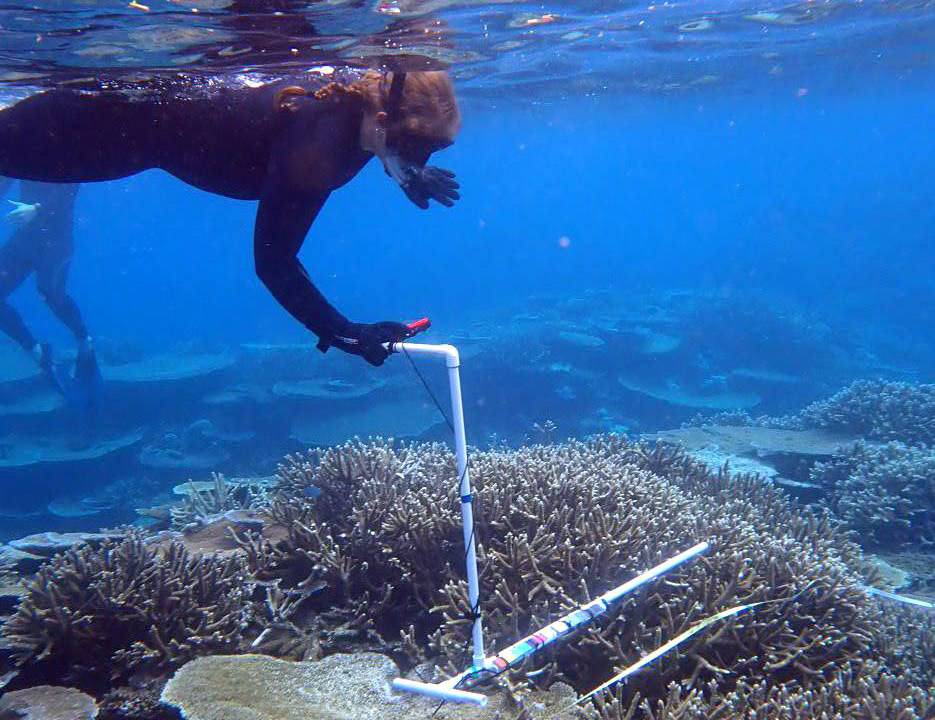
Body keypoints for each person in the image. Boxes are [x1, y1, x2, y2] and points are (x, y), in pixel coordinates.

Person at [0, 68, 461, 366]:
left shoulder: (362, 111)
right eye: (418, 146)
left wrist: (409, 173)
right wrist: (347, 334)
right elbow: (273, 262)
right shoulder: (318, 148)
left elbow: (391, 150)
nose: (421, 158)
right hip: (110, 125)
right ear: (382, 119)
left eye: (433, 151)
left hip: (130, 114)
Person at [0, 179, 99, 393]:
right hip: (25, 239)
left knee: (51, 294)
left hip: (57, 242)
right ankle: (37, 352)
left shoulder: (66, 150)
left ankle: (85, 342)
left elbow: (69, 187)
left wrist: (38, 208)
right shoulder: (19, 151)